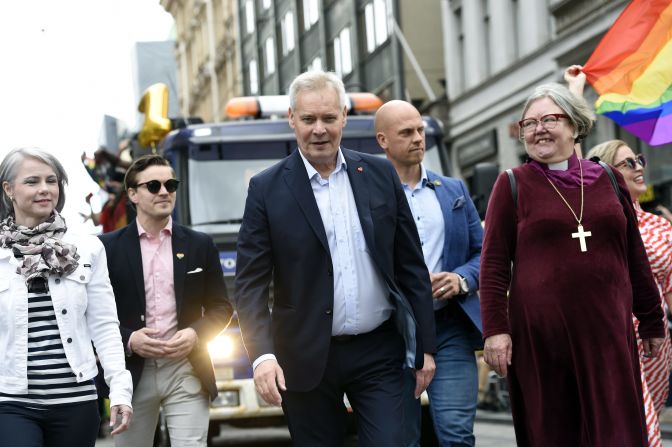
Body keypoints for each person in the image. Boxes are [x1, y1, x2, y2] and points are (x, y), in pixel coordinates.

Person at [235, 71, 436, 446]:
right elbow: (250, 286)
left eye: (328, 118)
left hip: (379, 352)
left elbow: (410, 265)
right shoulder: (265, 189)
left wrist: (425, 345)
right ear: (292, 118)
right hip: (304, 356)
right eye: (309, 119)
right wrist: (261, 355)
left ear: (343, 116)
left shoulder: (380, 174)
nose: (319, 130)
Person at [480, 83, 666, 446]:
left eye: (549, 119)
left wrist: (652, 321)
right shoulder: (513, 184)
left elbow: (633, 254)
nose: (538, 129)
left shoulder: (608, 179)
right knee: (557, 434)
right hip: (543, 341)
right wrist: (495, 331)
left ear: (575, 125)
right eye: (529, 124)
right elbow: (494, 265)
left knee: (617, 434)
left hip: (608, 334)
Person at [0, 147, 133, 446]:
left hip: (77, 401)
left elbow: (104, 324)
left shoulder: (87, 248)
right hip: (11, 401)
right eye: (32, 181)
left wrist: (120, 389)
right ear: (8, 189)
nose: (45, 189)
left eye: (52, 180)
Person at [100, 154, 233, 447]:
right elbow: (90, 314)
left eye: (170, 184)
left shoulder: (200, 244)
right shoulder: (105, 249)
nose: (164, 191)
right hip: (131, 372)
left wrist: (196, 334)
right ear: (132, 194)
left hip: (186, 367)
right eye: (154, 185)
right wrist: (129, 339)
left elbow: (221, 307)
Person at [376, 100, 483, 447]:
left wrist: (461, 278)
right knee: (398, 438)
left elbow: (483, 252)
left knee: (456, 435)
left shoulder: (453, 190)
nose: (417, 138)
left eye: (420, 130)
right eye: (406, 133)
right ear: (383, 140)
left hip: (449, 327)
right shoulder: (366, 194)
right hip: (390, 332)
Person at [587, 140, 672, 446]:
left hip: (657, 343)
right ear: (606, 173)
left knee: (643, 421)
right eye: (627, 163)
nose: (638, 167)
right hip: (615, 338)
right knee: (644, 430)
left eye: (638, 160)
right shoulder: (594, 224)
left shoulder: (662, 227)